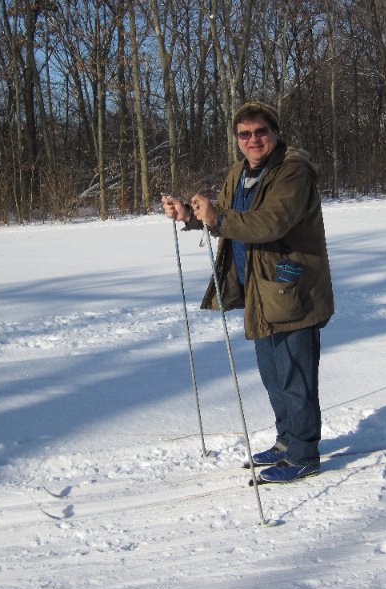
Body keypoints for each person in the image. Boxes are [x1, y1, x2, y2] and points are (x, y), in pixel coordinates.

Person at [162, 101, 334, 483]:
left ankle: (304, 452)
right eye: (245, 134)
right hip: (258, 286)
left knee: (296, 375)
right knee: (274, 374)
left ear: (274, 132)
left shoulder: (293, 171)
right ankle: (288, 441)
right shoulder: (240, 171)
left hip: (291, 286)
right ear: (237, 140)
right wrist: (191, 216)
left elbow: (271, 223)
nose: (253, 140)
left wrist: (218, 218)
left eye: (260, 132)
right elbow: (224, 213)